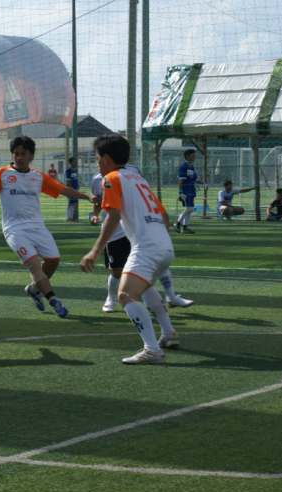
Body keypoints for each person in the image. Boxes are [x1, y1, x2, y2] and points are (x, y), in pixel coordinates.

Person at [0, 136, 99, 317]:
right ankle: (54, 301)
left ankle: (34, 289)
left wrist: (87, 197)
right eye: (16, 154)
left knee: (53, 260)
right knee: (34, 264)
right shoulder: (2, 173)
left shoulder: (38, 177)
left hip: (37, 227)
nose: (19, 157)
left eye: (23, 154)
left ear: (31, 155)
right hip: (14, 229)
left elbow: (62, 189)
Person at [81, 135, 178, 365]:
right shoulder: (138, 179)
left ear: (106, 158)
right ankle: (168, 333)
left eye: (96, 158)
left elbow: (112, 216)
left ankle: (152, 349)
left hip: (147, 248)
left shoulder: (110, 179)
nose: (96, 163)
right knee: (144, 288)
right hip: (164, 246)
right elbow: (163, 214)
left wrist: (95, 251)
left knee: (125, 295)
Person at [90, 164, 193, 313]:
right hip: (115, 230)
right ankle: (111, 298)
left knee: (157, 262)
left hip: (138, 228)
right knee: (117, 271)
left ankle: (171, 296)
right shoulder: (98, 178)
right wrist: (95, 214)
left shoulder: (133, 171)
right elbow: (99, 201)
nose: (98, 162)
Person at [175, 148, 206, 234]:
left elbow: (195, 179)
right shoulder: (183, 166)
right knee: (190, 208)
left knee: (190, 209)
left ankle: (185, 228)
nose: (194, 157)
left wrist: (203, 183)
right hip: (186, 190)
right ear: (187, 157)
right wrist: (180, 192)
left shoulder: (191, 166)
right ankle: (177, 223)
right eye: (192, 155)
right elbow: (181, 179)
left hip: (191, 190)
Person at [65, 157, 79, 222]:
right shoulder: (68, 170)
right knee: (70, 203)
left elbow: (75, 179)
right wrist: (70, 188)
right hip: (71, 190)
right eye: (74, 162)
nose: (75, 163)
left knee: (73, 203)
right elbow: (68, 180)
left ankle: (71, 217)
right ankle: (68, 217)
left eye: (76, 162)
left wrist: (77, 184)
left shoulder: (74, 170)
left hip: (75, 189)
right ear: (70, 163)